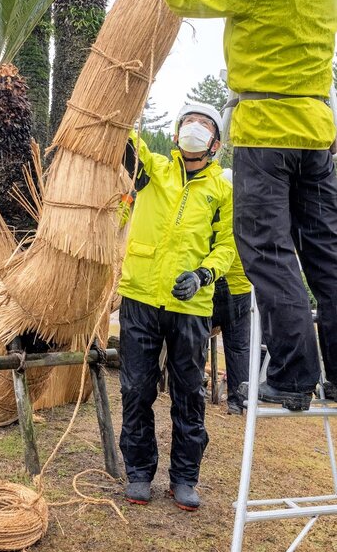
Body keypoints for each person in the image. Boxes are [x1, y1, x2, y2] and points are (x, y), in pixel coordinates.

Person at [158, 0, 337, 411]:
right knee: (326, 255)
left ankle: (292, 374)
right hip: (317, 134)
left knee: (266, 249)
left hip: (265, 132)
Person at [117, 103, 234, 511]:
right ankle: (138, 473)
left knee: (188, 393)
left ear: (215, 144)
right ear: (177, 134)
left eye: (204, 126)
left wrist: (204, 274)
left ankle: (184, 478)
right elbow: (126, 139)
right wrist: (131, 91)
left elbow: (227, 247)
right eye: (188, 123)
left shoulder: (222, 190)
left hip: (191, 306)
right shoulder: (154, 171)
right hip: (140, 296)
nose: (194, 130)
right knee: (135, 389)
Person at [211, 169, 251, 416]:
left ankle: (190, 387)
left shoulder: (217, 207)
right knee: (238, 347)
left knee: (194, 337)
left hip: (217, 282)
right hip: (241, 286)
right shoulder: (248, 211)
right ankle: (237, 402)